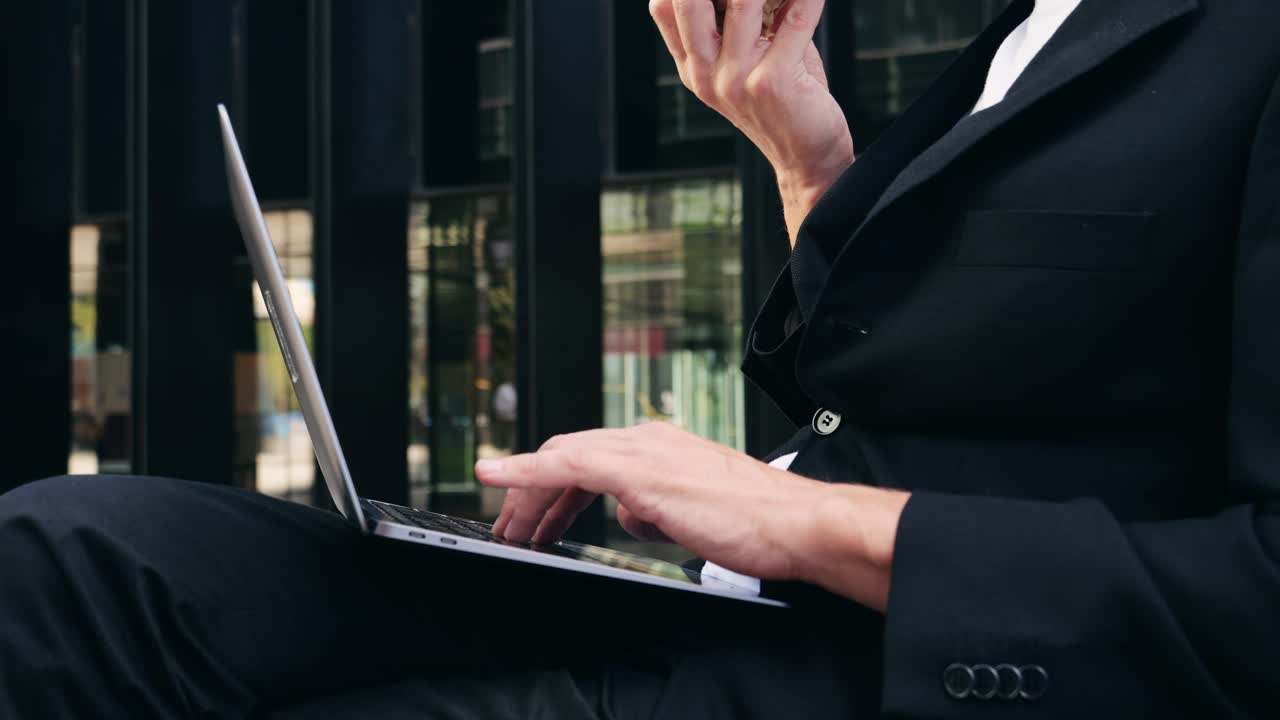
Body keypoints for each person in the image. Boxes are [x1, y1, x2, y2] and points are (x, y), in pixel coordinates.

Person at [3, 0, 1279, 716]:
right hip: (713, 599)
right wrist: (804, 161)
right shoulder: (1031, 32)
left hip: (889, 666)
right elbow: (927, 376)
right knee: (73, 558)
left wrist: (795, 514)